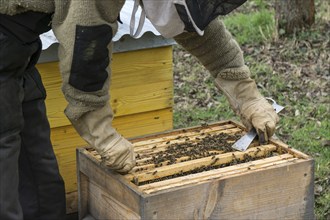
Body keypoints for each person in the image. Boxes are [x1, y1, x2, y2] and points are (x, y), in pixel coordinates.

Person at [0, 1, 278, 219]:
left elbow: (194, 26)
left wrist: (247, 95)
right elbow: (85, 52)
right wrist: (102, 133)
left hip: (19, 52)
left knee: (39, 178)